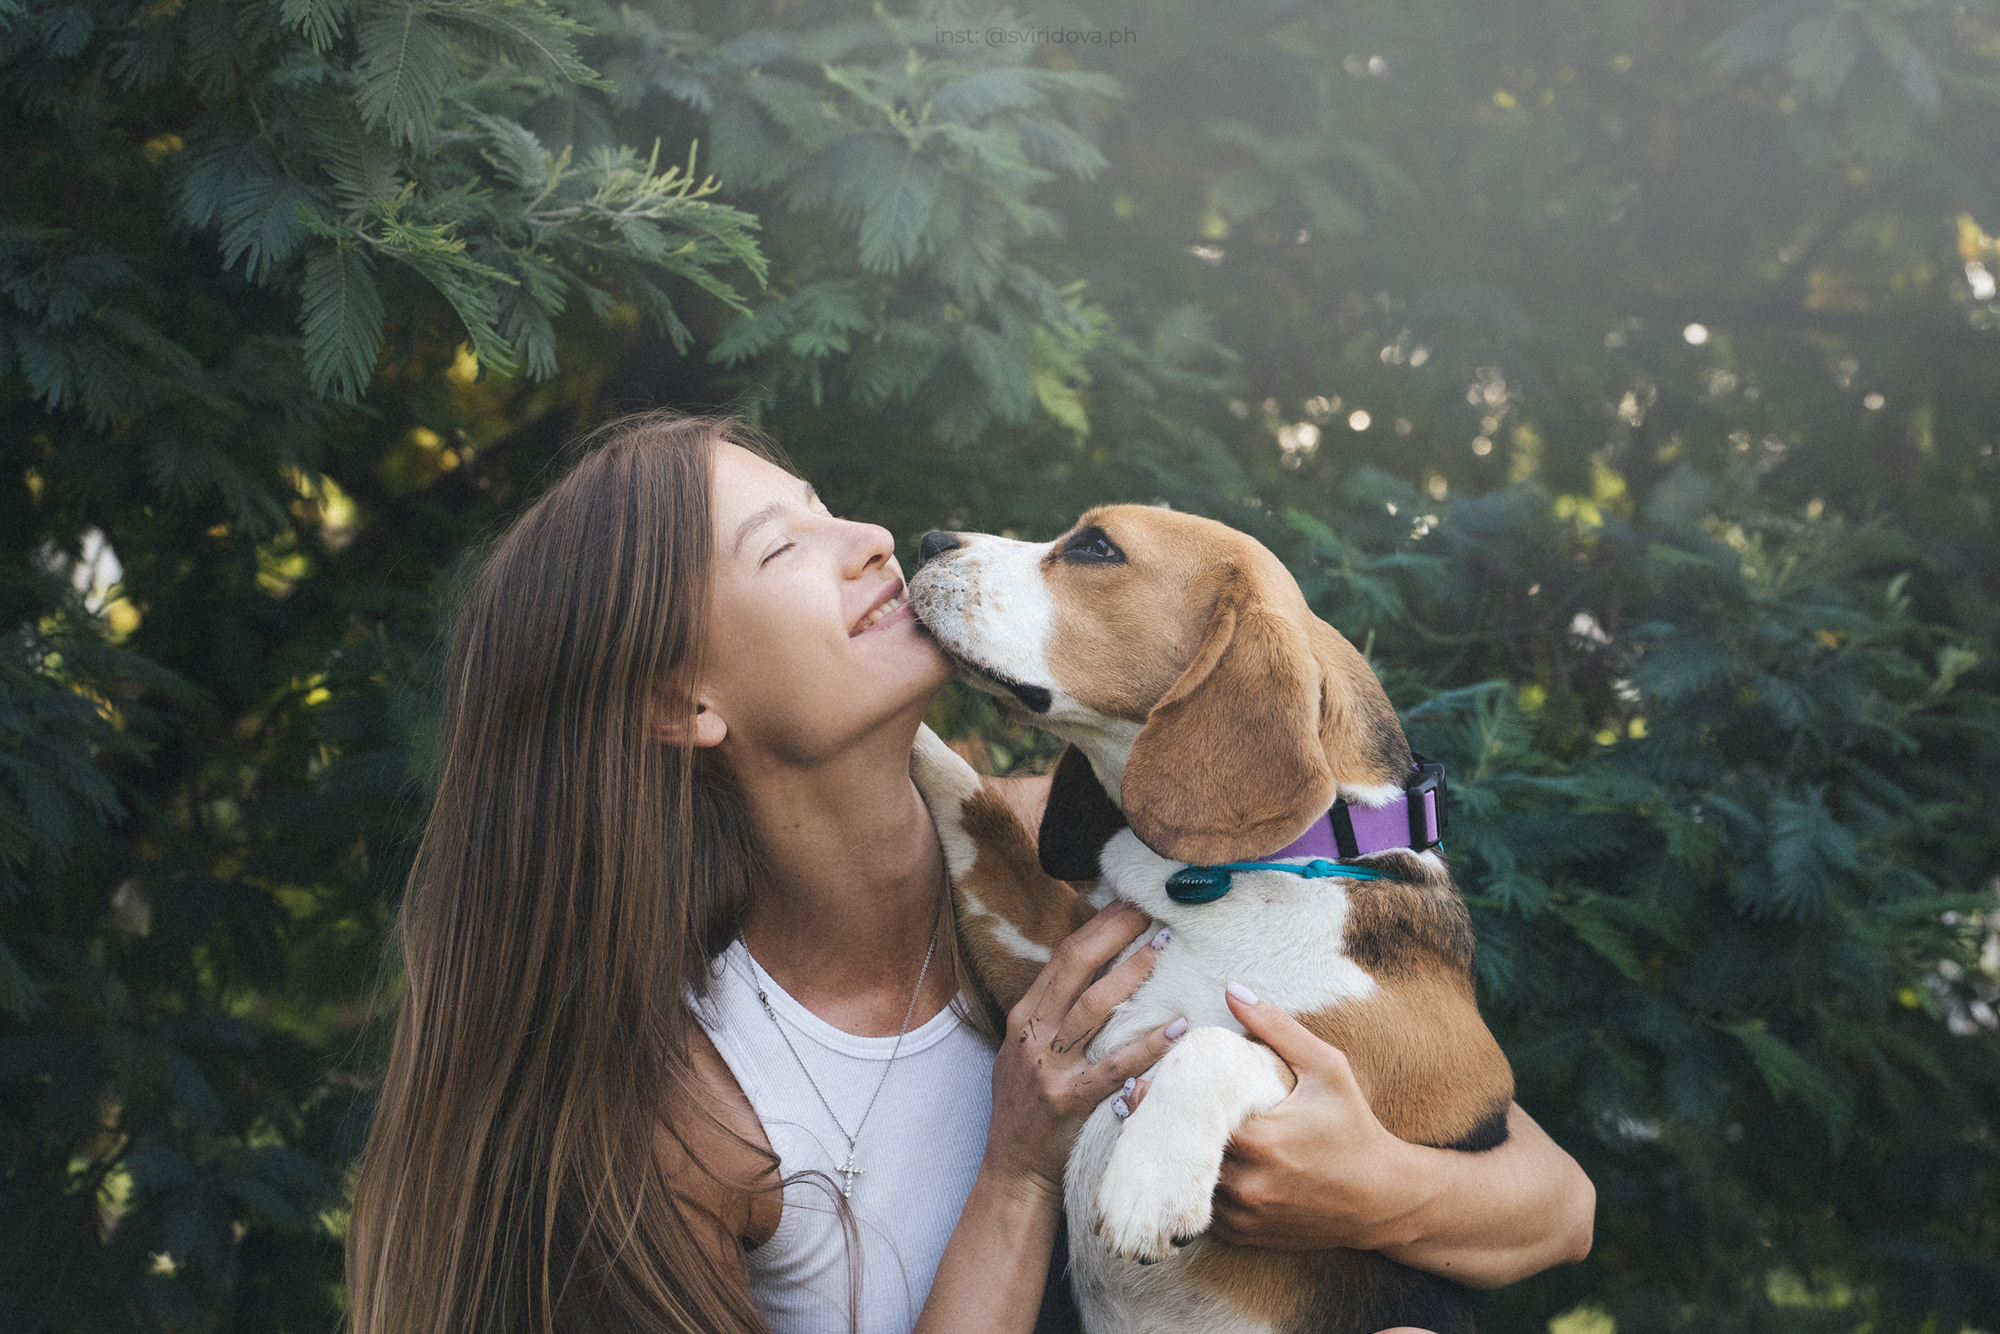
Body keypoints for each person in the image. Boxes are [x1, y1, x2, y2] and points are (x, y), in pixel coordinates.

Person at [343, 412, 1594, 1334]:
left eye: (834, 503)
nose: (873, 539)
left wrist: (1373, 1188)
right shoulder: (694, 1108)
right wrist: (1013, 1167)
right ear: (682, 698)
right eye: (783, 550)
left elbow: (1551, 1201)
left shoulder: (1116, 853)